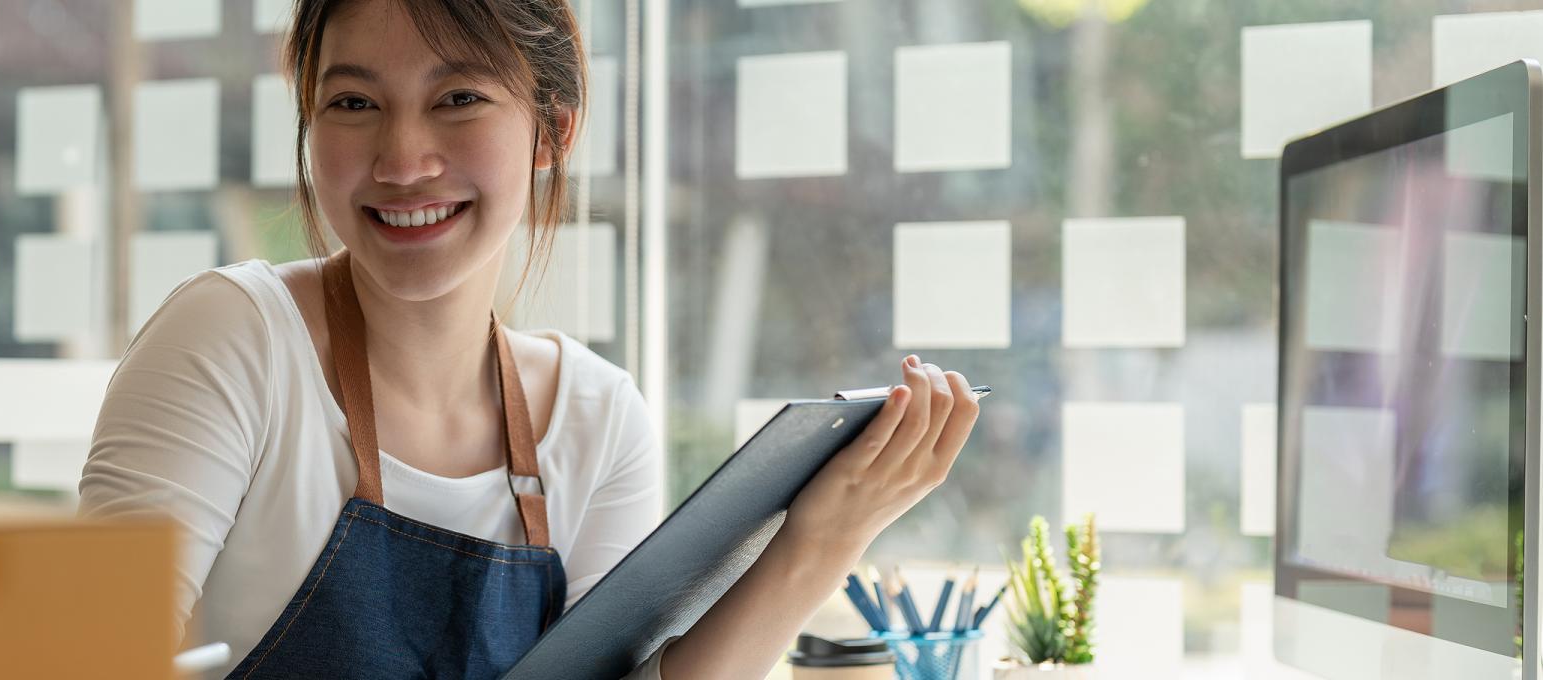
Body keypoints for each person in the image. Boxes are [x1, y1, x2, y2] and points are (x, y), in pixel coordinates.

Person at [80, 0, 981, 677]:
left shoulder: (596, 415)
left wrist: (823, 539)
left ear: (552, 129)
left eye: (459, 97)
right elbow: (92, 653)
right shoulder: (232, 339)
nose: (402, 159)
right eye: (352, 103)